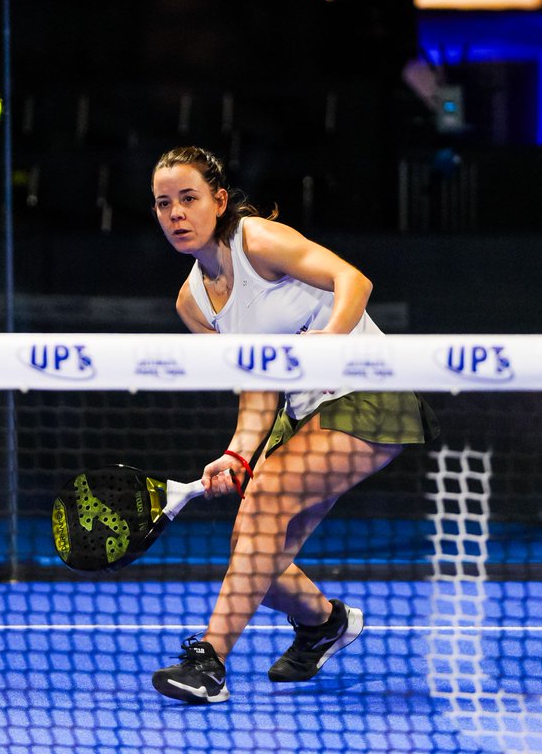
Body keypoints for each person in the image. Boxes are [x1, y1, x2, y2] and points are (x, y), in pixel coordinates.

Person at [148, 146, 439, 704]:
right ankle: (324, 623)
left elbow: (352, 279)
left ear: (219, 201)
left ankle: (209, 663)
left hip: (369, 389)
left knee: (269, 497)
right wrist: (237, 453)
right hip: (305, 410)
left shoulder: (256, 241)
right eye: (164, 204)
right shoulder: (191, 303)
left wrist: (331, 337)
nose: (177, 214)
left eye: (189, 199)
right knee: (255, 553)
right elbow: (255, 382)